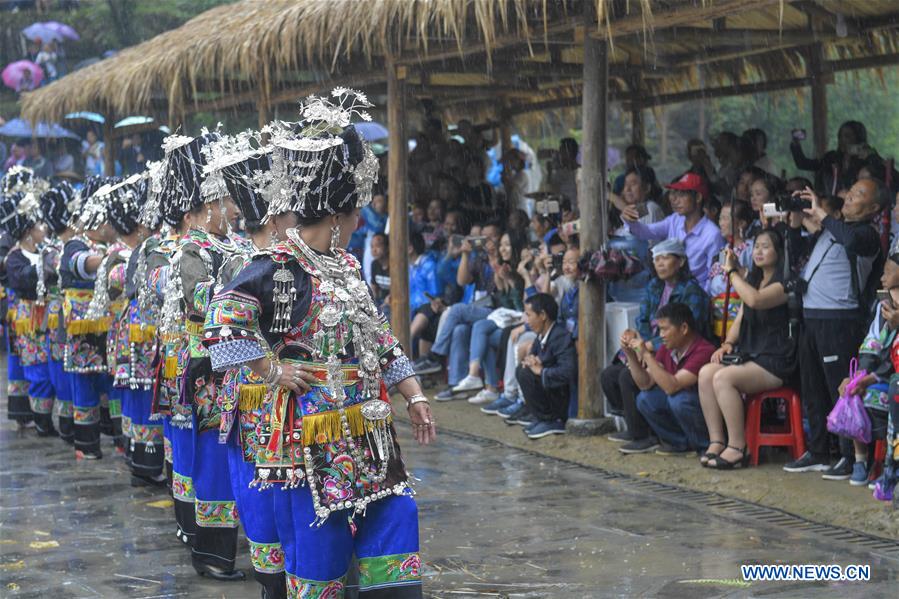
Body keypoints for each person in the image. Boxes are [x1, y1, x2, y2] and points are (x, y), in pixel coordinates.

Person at [204, 91, 431, 596]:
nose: (359, 225)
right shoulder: (278, 267)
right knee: (319, 546)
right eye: (356, 216)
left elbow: (381, 339)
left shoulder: (347, 267)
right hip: (312, 435)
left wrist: (413, 394)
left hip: (370, 432)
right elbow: (221, 325)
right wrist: (273, 371)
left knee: (396, 519)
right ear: (337, 216)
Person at [784, 179, 889, 478]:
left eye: (858, 196)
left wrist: (824, 215)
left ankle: (849, 456)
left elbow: (852, 242)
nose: (850, 197)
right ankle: (818, 451)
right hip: (812, 315)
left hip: (839, 319)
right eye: (851, 190)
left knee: (839, 390)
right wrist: (795, 223)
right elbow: (799, 252)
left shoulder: (867, 235)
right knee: (812, 387)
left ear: (873, 208)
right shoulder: (833, 229)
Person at [698, 229, 797, 469]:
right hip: (752, 355)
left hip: (777, 359)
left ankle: (737, 446)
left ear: (779, 252)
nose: (759, 251)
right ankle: (717, 441)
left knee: (724, 378)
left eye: (766, 246)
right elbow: (741, 317)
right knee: (706, 373)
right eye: (756, 247)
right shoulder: (752, 280)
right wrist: (728, 344)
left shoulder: (786, 282)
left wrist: (732, 272)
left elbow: (755, 300)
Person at [602, 240, 710, 449]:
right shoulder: (654, 286)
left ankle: (644, 435)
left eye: (666, 258)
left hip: (677, 350)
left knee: (629, 379)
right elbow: (643, 321)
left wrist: (648, 348)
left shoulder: (692, 291)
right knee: (610, 375)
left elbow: (683, 331)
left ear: (680, 262)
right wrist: (635, 345)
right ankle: (639, 428)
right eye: (656, 259)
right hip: (653, 346)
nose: (660, 264)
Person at [61, 175, 119, 460]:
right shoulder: (75, 244)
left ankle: (119, 437)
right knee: (85, 383)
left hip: (108, 328)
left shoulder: (113, 244)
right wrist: (113, 258)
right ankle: (86, 444)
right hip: (82, 332)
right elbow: (81, 264)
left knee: (112, 381)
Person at [1, 189, 60, 437]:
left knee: (49, 368)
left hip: (47, 316)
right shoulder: (14, 258)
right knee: (37, 370)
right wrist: (43, 267)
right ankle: (41, 420)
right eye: (38, 225)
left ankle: (44, 417)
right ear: (27, 231)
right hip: (28, 318)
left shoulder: (44, 251)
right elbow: (22, 280)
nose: (44, 228)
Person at [622, 302, 716, 455]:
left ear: (684, 328)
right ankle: (680, 444)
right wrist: (630, 354)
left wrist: (646, 354)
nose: (661, 335)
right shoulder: (668, 348)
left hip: (705, 413)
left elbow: (672, 386)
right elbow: (645, 384)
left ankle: (704, 446)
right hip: (684, 409)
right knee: (645, 398)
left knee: (678, 399)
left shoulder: (704, 350)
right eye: (659, 329)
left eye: (665, 329)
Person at [622, 172, 724, 291]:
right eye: (674, 193)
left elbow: (714, 277)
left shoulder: (713, 234)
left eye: (682, 194)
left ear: (698, 197)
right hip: (671, 291)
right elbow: (646, 231)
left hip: (696, 296)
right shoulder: (675, 220)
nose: (675, 199)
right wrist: (629, 220)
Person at [457, 232, 525, 405]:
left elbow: (521, 308)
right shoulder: (501, 269)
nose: (502, 248)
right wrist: (502, 281)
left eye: (507, 245)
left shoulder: (521, 268)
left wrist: (510, 279)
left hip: (520, 324)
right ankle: (490, 387)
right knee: (481, 332)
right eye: (501, 244)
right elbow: (504, 305)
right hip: (506, 323)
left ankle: (479, 378)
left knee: (476, 325)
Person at [502, 293, 577, 439]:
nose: (527, 321)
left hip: (561, 398)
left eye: (529, 315)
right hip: (550, 391)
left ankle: (553, 420)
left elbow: (568, 371)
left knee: (526, 374)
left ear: (542, 315)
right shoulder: (541, 336)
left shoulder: (560, 336)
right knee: (522, 370)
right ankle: (541, 418)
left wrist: (542, 370)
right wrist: (530, 361)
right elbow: (533, 357)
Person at [608, 166, 666, 302]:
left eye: (633, 184)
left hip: (644, 285)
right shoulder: (623, 216)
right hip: (625, 288)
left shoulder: (651, 208)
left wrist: (612, 197)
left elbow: (647, 247)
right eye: (625, 185)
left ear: (647, 188)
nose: (627, 189)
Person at [708, 200, 754, 340]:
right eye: (720, 218)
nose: (721, 223)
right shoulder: (723, 250)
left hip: (740, 320)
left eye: (726, 218)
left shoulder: (751, 249)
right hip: (718, 321)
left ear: (741, 223)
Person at [791, 121, 870, 195]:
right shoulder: (830, 158)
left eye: (847, 136)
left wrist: (868, 154)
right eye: (840, 136)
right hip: (827, 205)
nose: (842, 140)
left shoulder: (866, 160)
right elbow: (803, 164)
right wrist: (795, 144)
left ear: (858, 138)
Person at [549, 138, 580, 207]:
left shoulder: (581, 173)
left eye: (561, 152)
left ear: (569, 153)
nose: (560, 156)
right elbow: (551, 192)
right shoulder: (559, 174)